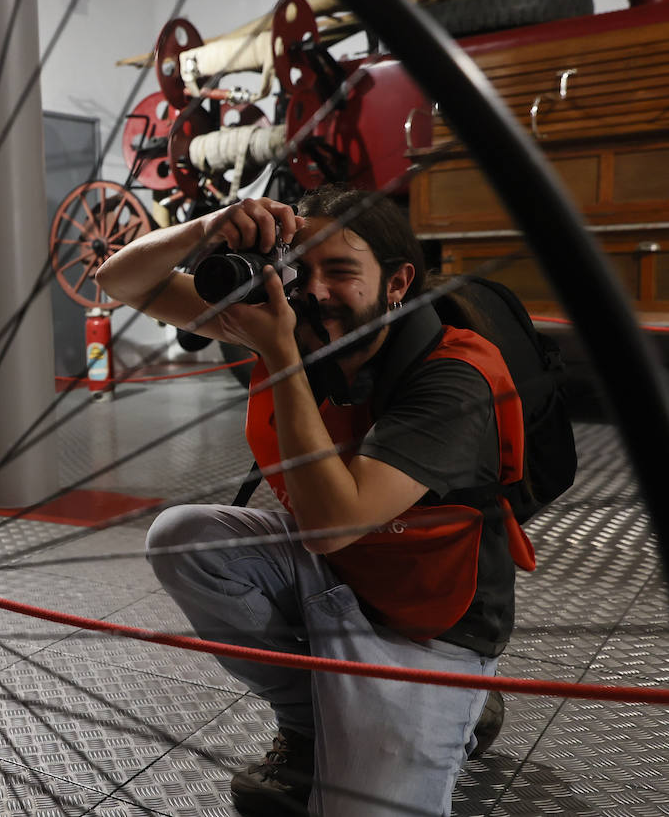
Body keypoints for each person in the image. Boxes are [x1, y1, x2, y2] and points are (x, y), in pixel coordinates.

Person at [94, 184, 534, 817]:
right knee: (183, 538)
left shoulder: (456, 379)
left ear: (396, 282)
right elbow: (121, 280)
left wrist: (278, 353)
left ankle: (464, 703)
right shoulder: (300, 327)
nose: (317, 289)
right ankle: (309, 722)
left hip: (428, 625)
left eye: (342, 271)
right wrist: (209, 228)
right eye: (304, 269)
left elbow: (332, 526)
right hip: (335, 581)